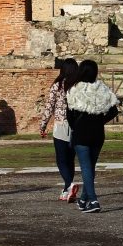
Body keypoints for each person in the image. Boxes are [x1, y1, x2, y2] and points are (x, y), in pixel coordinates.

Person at [66, 59, 122, 213]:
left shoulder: (74, 89)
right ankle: (84, 199)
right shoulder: (102, 89)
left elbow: (69, 115)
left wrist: (76, 127)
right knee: (90, 167)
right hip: (98, 133)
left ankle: (94, 200)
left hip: (81, 133)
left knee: (86, 167)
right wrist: (99, 120)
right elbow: (114, 110)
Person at [40, 58, 80, 202]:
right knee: (70, 159)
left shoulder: (57, 86)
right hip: (77, 126)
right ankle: (66, 190)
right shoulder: (79, 86)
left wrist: (43, 125)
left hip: (61, 124)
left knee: (61, 160)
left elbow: (49, 106)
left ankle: (69, 184)